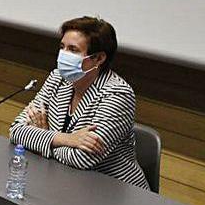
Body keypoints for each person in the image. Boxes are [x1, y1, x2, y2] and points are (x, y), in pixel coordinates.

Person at [9, 16, 150, 189]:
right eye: (62, 47)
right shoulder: (57, 78)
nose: (63, 55)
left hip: (112, 194)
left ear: (98, 58)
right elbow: (16, 131)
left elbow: (82, 159)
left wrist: (42, 140)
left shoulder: (117, 95)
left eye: (73, 50)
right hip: (66, 184)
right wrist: (68, 139)